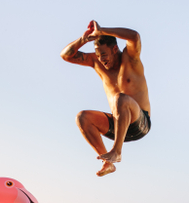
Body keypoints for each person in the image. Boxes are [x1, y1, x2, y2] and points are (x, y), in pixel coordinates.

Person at [60, 20, 151, 177]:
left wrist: (102, 30)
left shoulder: (131, 59)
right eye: (97, 55)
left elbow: (134, 36)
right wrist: (83, 39)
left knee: (120, 98)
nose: (101, 59)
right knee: (82, 117)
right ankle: (107, 162)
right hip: (118, 124)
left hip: (139, 123)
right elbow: (66, 55)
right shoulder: (96, 62)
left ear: (115, 49)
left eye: (104, 54)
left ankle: (117, 151)